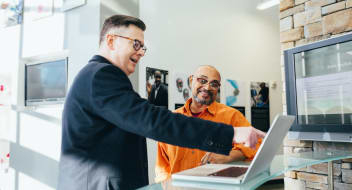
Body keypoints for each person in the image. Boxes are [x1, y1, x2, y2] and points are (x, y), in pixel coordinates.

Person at [58, 15, 265, 190]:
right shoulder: (101, 76)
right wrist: (233, 133)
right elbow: (153, 121)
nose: (140, 52)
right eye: (135, 44)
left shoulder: (97, 76)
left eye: (143, 47)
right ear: (111, 41)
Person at [155, 66, 262, 182]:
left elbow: (257, 144)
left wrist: (229, 156)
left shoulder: (232, 116)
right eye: (202, 80)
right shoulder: (172, 120)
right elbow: (162, 168)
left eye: (214, 84)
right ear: (191, 81)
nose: (207, 87)